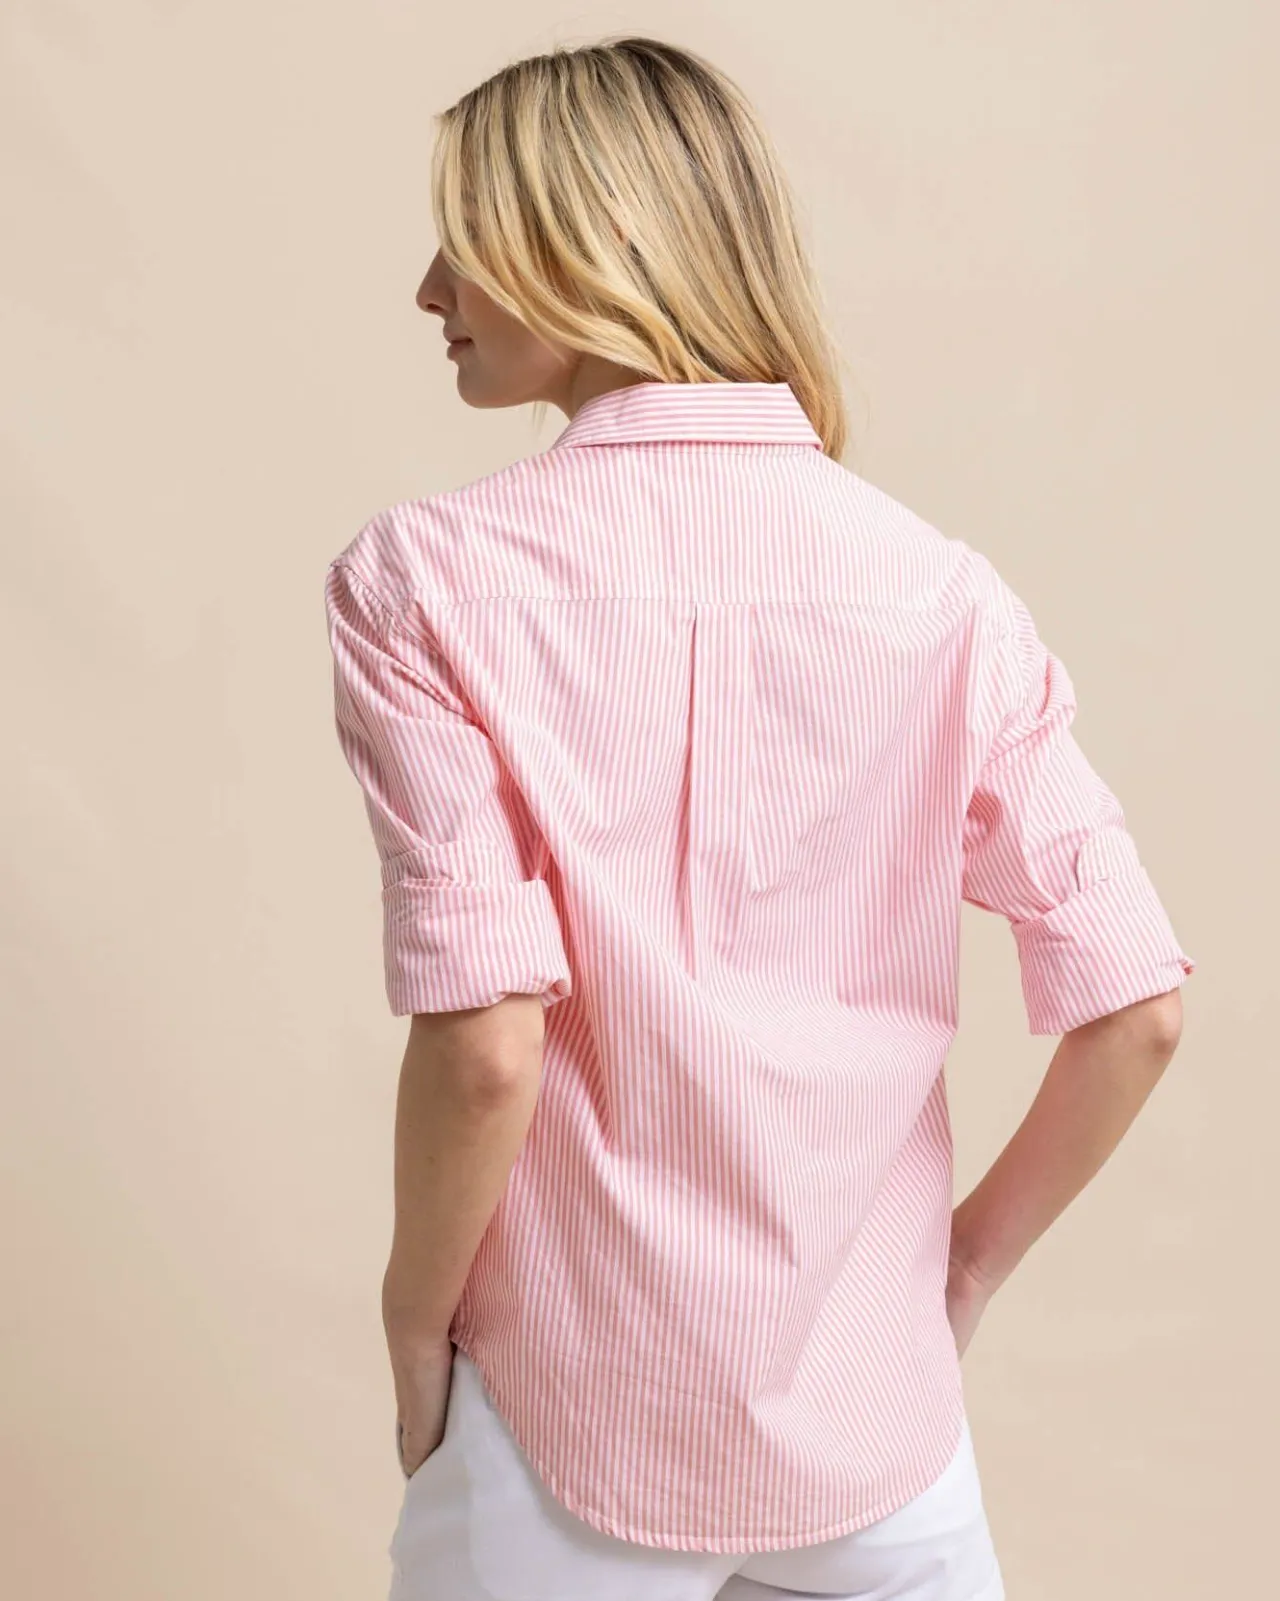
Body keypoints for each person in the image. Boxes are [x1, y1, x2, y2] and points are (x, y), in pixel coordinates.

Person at [322, 35, 1195, 1601]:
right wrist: (962, 1270)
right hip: (883, 1432)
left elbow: (489, 1047)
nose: (427, 287)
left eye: (466, 236)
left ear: (589, 243)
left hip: (558, 1420)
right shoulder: (943, 593)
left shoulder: (423, 585)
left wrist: (410, 1319)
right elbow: (1138, 1008)